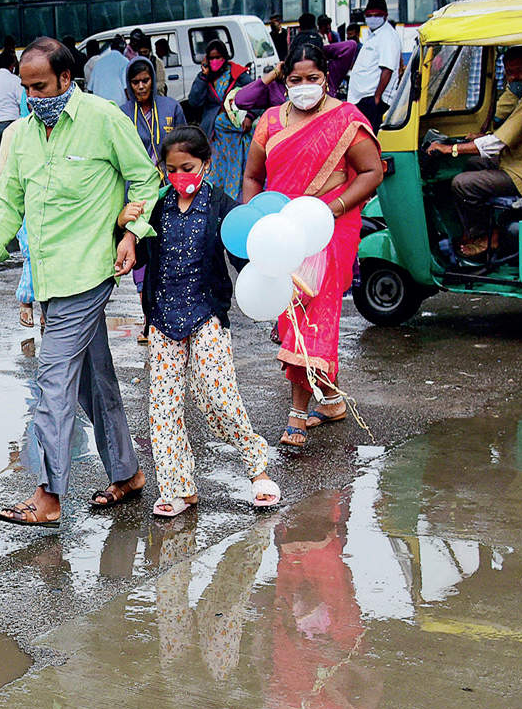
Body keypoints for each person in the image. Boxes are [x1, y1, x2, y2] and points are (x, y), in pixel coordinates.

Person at [0, 37, 161, 527]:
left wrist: (131, 234)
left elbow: (145, 179)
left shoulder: (102, 119)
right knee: (92, 383)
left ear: (65, 79)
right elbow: (9, 201)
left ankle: (47, 496)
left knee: (52, 383)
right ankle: (127, 471)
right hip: (48, 277)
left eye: (41, 86)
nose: (34, 97)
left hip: (89, 272)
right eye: (26, 88)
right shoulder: (20, 136)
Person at [241, 42, 384, 449]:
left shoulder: (345, 121)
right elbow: (253, 176)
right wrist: (254, 219)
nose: (304, 86)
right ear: (285, 80)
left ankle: (297, 415)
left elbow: (372, 170)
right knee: (291, 316)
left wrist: (330, 209)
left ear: (327, 78)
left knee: (310, 316)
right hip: (280, 233)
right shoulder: (269, 122)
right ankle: (333, 401)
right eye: (296, 80)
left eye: (313, 79)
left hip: (327, 232)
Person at [134, 126, 281, 516]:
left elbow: (243, 258)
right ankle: (178, 487)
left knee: (219, 396)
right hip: (163, 317)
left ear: (206, 163)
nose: (179, 176)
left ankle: (258, 469)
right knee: (163, 407)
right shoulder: (157, 207)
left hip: (206, 314)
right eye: (171, 169)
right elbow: (144, 258)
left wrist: (273, 272)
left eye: (188, 167)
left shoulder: (222, 206)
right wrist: (125, 225)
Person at [425, 46, 522, 258]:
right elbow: (502, 118)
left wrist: (451, 149)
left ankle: (486, 237)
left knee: (462, 184)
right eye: (509, 72)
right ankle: (478, 229)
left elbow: (498, 143)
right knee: (474, 163)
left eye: (519, 71)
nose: (513, 77)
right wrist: (480, 135)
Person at [122, 57, 186, 343]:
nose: (141, 86)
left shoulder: (171, 108)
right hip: (137, 195)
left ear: (153, 80)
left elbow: (185, 146)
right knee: (142, 256)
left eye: (145, 80)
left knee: (170, 251)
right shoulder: (123, 114)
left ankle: (171, 317)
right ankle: (149, 319)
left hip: (170, 191)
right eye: (135, 82)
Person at [188, 39, 254, 200]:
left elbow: (256, 94)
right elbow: (194, 102)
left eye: (218, 57)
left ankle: (235, 202)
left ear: (224, 57)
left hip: (235, 136)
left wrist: (250, 116)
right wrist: (203, 77)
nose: (215, 61)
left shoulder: (236, 74)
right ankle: (217, 203)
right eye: (211, 58)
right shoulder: (206, 77)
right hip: (214, 136)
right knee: (216, 172)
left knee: (237, 170)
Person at [347, 0, 402, 132]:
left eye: (377, 15)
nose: (372, 18)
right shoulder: (374, 35)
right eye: (369, 15)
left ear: (385, 16)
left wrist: (376, 97)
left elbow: (387, 70)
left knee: (368, 139)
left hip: (372, 100)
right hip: (364, 99)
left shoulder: (387, 36)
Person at [87, 35, 131, 104]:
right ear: (124, 48)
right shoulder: (125, 62)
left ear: (111, 47)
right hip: (119, 106)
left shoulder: (99, 62)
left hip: (100, 107)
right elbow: (127, 89)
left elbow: (90, 90)